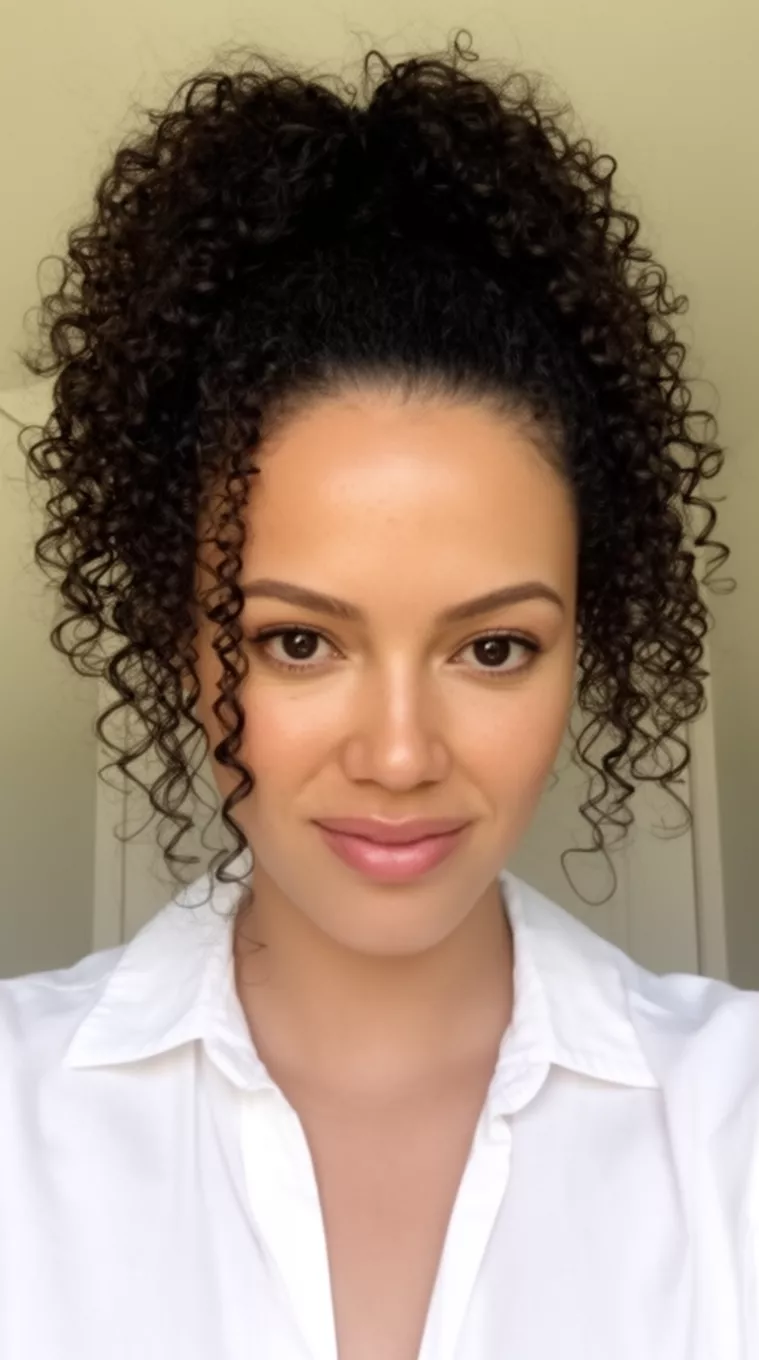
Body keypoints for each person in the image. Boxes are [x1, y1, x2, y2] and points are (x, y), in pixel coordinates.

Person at [1, 31, 755, 1360]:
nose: (400, 753)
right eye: (299, 643)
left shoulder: (732, 1123)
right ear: (187, 643)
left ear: (585, 637)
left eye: (491, 650)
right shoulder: (17, 1123)